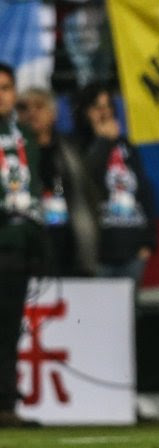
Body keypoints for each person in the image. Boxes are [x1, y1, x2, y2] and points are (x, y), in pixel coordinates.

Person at [73, 84, 156, 284]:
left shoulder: (127, 146)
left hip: (132, 248)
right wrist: (103, 142)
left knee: (128, 313)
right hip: (99, 250)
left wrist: (148, 242)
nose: (104, 112)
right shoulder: (77, 145)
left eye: (108, 106)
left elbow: (144, 190)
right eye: (97, 106)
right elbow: (85, 181)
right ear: (85, 112)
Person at [0, 62, 43, 427]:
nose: (2, 95)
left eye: (6, 87)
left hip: (16, 245)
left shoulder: (24, 137)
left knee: (9, 328)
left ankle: (6, 405)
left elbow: (36, 187)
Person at [17, 88, 98, 277]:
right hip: (26, 245)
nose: (32, 113)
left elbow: (88, 194)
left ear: (53, 114)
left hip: (67, 241)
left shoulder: (71, 150)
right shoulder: (11, 152)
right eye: (24, 108)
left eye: (39, 106)